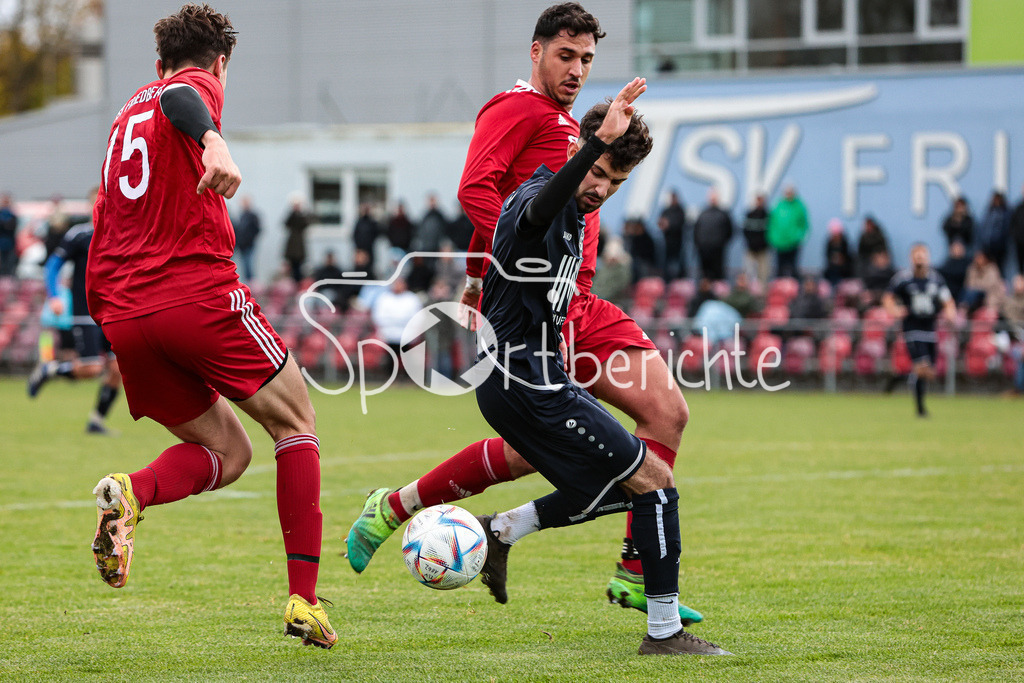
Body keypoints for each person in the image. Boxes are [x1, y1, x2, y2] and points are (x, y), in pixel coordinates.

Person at [344, 2, 703, 628]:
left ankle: (633, 569)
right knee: (542, 446)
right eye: (565, 55)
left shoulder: (572, 126)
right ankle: (397, 507)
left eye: (586, 58)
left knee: (658, 415)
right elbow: (478, 191)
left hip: (580, 299)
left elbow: (527, 199)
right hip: (545, 304)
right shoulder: (516, 108)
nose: (576, 69)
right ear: (535, 52)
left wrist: (476, 274)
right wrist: (510, 269)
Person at [85, 4, 335, 648]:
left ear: (157, 60)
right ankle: (304, 600)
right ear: (220, 63)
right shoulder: (191, 88)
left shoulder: (123, 117)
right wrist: (215, 140)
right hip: (194, 295)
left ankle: (132, 492)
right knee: (296, 422)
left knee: (231, 454)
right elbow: (183, 99)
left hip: (127, 314)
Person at [470, 86, 727, 656]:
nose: (602, 189)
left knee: (619, 486)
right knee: (655, 481)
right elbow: (536, 211)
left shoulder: (577, 216)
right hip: (526, 384)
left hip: (535, 381)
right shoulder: (537, 199)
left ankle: (501, 530)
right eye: (599, 172)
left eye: (616, 181)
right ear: (578, 152)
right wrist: (592, 149)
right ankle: (664, 632)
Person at [27, 187, 123, 435]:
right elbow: (52, 266)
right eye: (99, 203)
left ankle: (96, 422)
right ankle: (50, 370)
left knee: (117, 369)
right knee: (92, 369)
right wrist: (54, 295)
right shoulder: (80, 235)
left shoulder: (122, 234)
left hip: (114, 312)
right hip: (85, 311)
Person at [882, 244, 956, 418]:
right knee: (922, 367)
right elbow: (888, 298)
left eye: (923, 255)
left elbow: (948, 301)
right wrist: (895, 310)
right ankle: (921, 410)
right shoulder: (903, 279)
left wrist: (950, 314)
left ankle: (900, 377)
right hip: (912, 329)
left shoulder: (936, 279)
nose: (920, 259)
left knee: (929, 372)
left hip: (930, 329)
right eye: (917, 256)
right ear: (912, 258)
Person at [767, 184, 808, 278]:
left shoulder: (799, 206)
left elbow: (804, 224)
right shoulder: (778, 205)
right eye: (787, 192)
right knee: (780, 268)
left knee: (793, 268)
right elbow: (772, 223)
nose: (788, 194)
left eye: (790, 192)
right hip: (779, 243)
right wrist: (773, 238)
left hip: (793, 243)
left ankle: (793, 285)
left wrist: (799, 236)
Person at [692, 189, 733, 281]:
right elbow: (696, 230)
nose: (712, 200)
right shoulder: (703, 213)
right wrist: (699, 244)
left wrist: (721, 243)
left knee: (718, 275)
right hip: (703, 250)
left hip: (717, 250)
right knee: (705, 275)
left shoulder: (723, 214)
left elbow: (729, 231)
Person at [976, 190, 1010, 276]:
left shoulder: (1005, 213)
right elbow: (983, 228)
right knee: (986, 270)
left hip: (999, 248)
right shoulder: (988, 212)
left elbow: (1006, 230)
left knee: (999, 270)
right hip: (987, 246)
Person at [657, 189, 686, 280]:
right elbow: (660, 223)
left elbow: (680, 223)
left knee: (678, 264)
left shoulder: (680, 210)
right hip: (666, 243)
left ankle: (679, 280)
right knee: (666, 264)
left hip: (678, 243)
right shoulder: (665, 211)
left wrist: (669, 224)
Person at [741, 193, 770, 285]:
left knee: (764, 274)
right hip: (751, 249)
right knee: (748, 273)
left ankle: (763, 291)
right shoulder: (749, 214)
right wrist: (750, 243)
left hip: (763, 249)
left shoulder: (768, 215)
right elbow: (745, 231)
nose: (759, 203)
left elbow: (771, 232)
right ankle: (748, 292)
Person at [231, 194, 261, 282]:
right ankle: (245, 282)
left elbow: (257, 229)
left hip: (249, 245)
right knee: (243, 265)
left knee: (248, 265)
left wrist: (250, 238)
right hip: (241, 245)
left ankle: (251, 284)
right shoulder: (241, 216)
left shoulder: (252, 216)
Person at [283, 196, 310, 282]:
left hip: (299, 246)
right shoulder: (292, 216)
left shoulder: (302, 216)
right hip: (292, 246)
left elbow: (306, 224)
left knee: (299, 267)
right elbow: (286, 224)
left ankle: (299, 281)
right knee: (292, 267)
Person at [353, 203, 382, 278]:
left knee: (369, 269)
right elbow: (355, 235)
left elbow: (377, 233)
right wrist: (359, 249)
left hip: (369, 249)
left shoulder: (372, 222)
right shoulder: (359, 223)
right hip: (361, 249)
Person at [823, 218, 853, 286]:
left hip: (844, 271)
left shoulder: (845, 243)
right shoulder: (829, 243)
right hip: (832, 270)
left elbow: (848, 258)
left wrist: (842, 260)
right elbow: (827, 256)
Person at [0, 193, 18, 276]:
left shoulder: (12, 215)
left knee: (9, 265)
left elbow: (11, 226)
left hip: (10, 244)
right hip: (3, 244)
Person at [1011, 184, 1024, 276]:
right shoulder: (1018, 208)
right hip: (1020, 242)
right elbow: (1013, 224)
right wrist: (1016, 237)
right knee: (1020, 269)